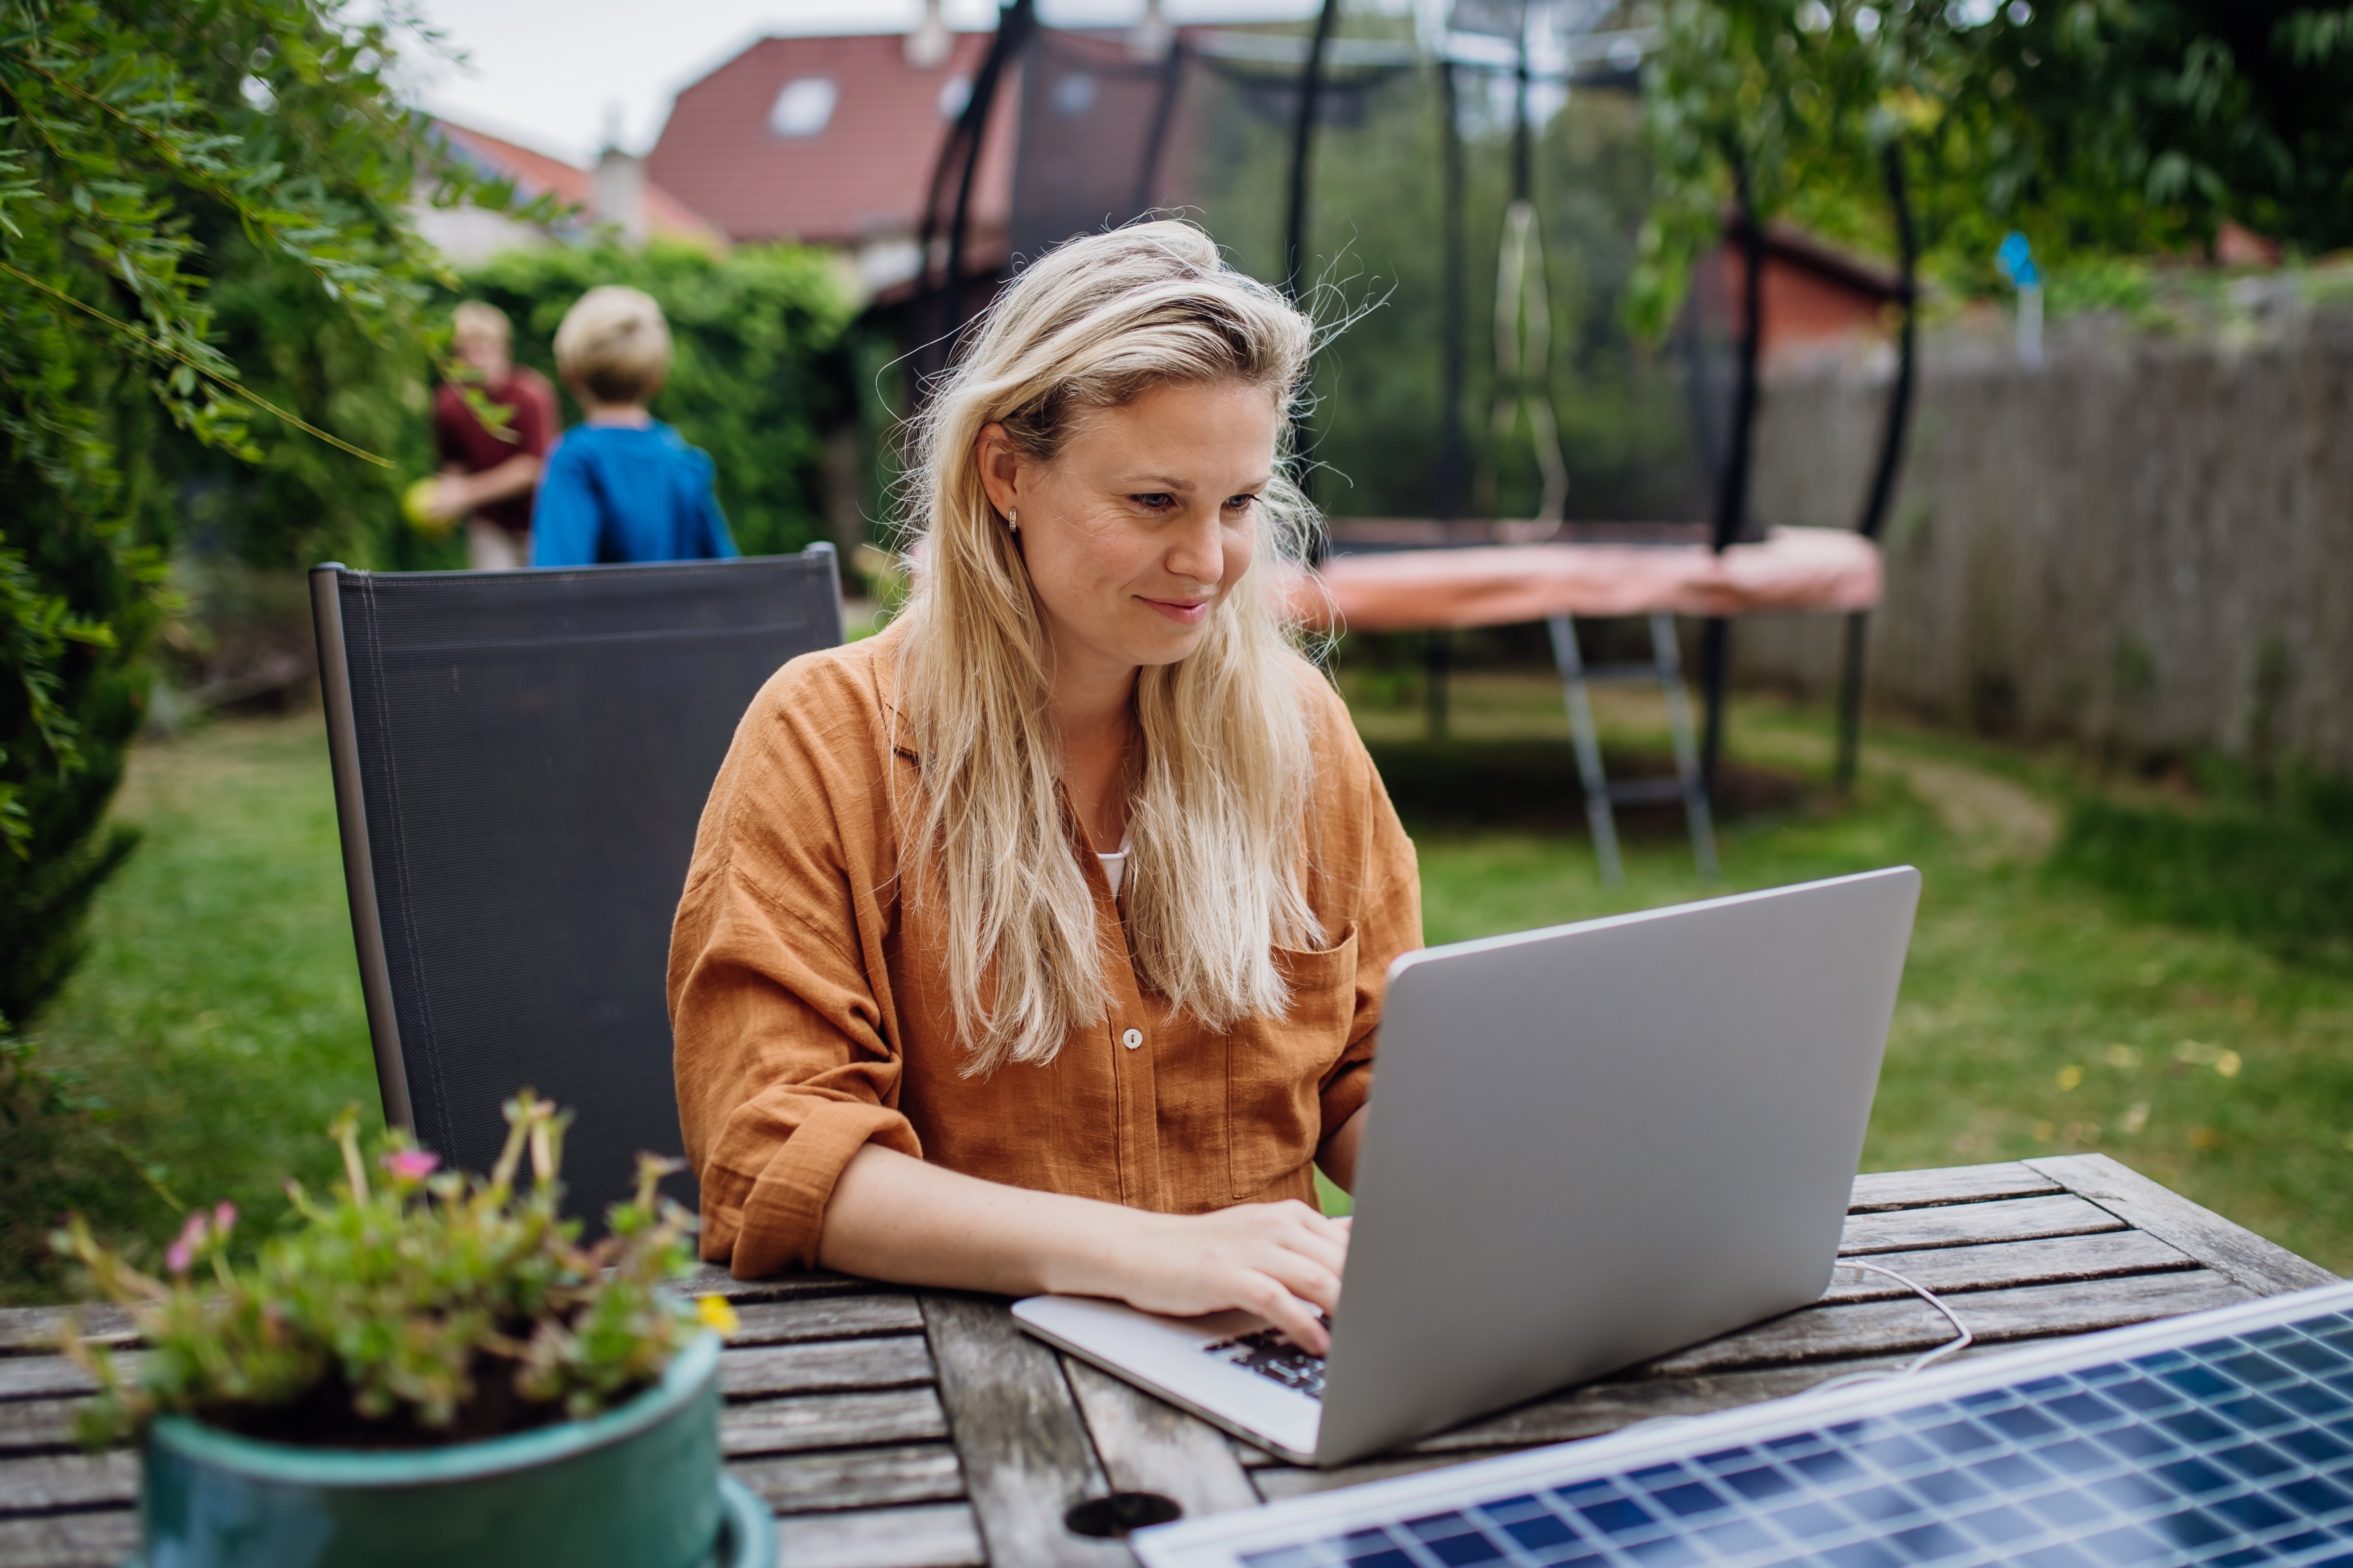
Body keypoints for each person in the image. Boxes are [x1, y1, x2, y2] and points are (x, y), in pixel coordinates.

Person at [668, 223, 1420, 1354]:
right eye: (1156, 501)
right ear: (1006, 471)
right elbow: (775, 1152)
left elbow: (1367, 1071)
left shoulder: (1297, 732)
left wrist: (1504, 1181)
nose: (1209, 560)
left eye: (1235, 504)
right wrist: (1148, 1251)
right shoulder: (827, 741)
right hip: (957, 1377)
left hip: (1277, 1353)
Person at [531, 286, 737, 567]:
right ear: (658, 377)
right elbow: (729, 573)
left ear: (570, 375)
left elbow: (556, 578)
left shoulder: (575, 462)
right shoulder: (686, 463)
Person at [425, 302, 559, 571]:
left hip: (539, 520)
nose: (477, 356)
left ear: (506, 349)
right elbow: (454, 462)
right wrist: (446, 499)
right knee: (495, 603)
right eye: (466, 349)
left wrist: (466, 494)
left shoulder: (532, 395)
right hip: (490, 525)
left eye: (486, 346)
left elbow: (534, 467)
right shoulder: (448, 402)